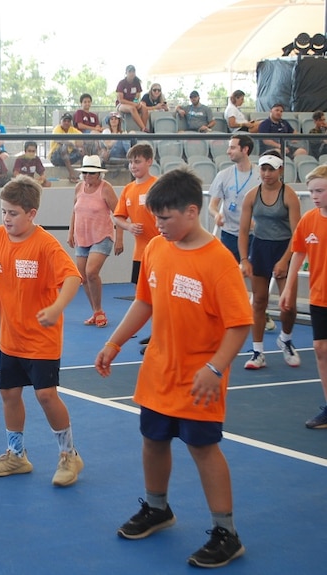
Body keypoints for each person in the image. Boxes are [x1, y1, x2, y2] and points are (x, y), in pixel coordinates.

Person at [95, 168, 251, 569]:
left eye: (164, 218)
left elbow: (240, 324)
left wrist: (215, 369)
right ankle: (157, 508)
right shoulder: (156, 249)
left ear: (191, 211)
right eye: (154, 218)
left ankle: (226, 533)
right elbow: (144, 302)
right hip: (159, 370)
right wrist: (114, 342)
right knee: (153, 439)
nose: (156, 226)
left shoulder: (219, 261)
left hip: (201, 377)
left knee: (202, 447)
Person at [0, 176, 84, 485]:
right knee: (9, 394)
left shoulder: (45, 245)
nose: (6, 219)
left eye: (13, 213)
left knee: (45, 395)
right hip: (10, 339)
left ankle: (69, 455)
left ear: (31, 214)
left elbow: (72, 278)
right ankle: (16, 455)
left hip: (42, 339)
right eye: (3, 211)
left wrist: (56, 308)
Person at [238, 152, 302, 370]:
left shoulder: (289, 196)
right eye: (263, 169)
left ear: (280, 170)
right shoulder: (251, 196)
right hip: (261, 249)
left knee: (288, 305)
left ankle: (285, 339)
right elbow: (244, 231)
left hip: (285, 247)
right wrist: (245, 259)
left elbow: (297, 234)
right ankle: (258, 352)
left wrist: (285, 260)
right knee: (259, 301)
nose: (266, 174)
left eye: (271, 169)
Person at [280, 165, 327, 429]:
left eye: (320, 190)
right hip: (319, 296)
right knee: (321, 349)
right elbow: (298, 252)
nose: (315, 195)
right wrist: (287, 287)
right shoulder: (309, 219)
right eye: (311, 191)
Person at [67, 155, 123, 329]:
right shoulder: (78, 187)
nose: (87, 176)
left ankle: (99, 310)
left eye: (91, 173)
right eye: (85, 173)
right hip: (82, 237)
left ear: (99, 174)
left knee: (91, 272)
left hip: (102, 235)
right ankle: (96, 312)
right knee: (83, 277)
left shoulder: (106, 189)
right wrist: (71, 233)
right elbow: (75, 211)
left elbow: (119, 213)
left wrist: (119, 238)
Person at [113, 143, 160, 352]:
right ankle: (154, 332)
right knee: (142, 296)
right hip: (140, 253)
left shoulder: (157, 186)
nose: (133, 166)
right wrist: (129, 226)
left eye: (138, 161)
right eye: (131, 162)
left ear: (149, 162)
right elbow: (117, 217)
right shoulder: (128, 189)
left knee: (159, 295)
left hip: (160, 251)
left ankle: (160, 335)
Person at [208, 134, 261, 261]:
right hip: (229, 235)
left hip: (254, 234)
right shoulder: (223, 175)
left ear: (245, 150)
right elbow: (212, 205)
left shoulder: (261, 175)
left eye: (232, 148)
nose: (228, 151)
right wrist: (216, 214)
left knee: (253, 274)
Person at [49, 112, 84, 184]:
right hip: (56, 158)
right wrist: (71, 143)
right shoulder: (57, 128)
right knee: (64, 147)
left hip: (69, 157)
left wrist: (78, 146)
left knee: (82, 149)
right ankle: (72, 173)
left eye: (68, 121)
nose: (66, 123)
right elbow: (58, 140)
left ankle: (84, 173)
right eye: (64, 121)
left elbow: (83, 137)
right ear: (61, 121)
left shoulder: (72, 129)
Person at [114, 65, 148, 132]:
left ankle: (143, 129)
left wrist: (136, 102)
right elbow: (121, 100)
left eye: (133, 72)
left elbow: (137, 96)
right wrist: (133, 104)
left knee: (144, 108)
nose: (132, 73)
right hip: (121, 105)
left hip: (133, 103)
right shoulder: (121, 83)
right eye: (130, 72)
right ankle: (143, 127)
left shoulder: (137, 83)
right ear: (126, 73)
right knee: (132, 108)